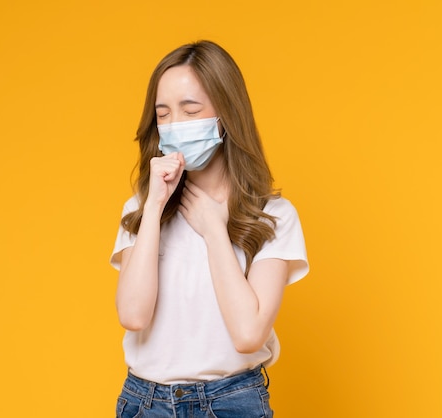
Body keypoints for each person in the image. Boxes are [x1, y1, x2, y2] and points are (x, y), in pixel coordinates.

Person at [110, 40, 309, 418]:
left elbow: (248, 334)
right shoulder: (141, 209)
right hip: (145, 404)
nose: (174, 125)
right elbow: (133, 315)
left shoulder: (273, 216)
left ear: (226, 115)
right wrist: (153, 207)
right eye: (163, 113)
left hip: (232, 402)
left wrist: (215, 230)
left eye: (191, 110)